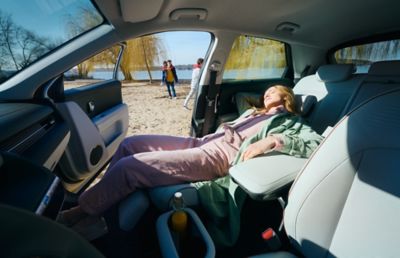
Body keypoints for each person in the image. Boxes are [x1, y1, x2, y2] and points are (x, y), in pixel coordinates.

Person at [58, 85, 323, 239]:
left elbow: (314, 142)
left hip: (218, 157)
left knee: (131, 167)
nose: (266, 94)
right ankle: (99, 201)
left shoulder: (291, 121)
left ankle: (83, 213)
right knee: (130, 143)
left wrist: (269, 142)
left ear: (287, 98)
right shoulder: (255, 112)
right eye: (265, 92)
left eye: (273, 92)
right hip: (204, 142)